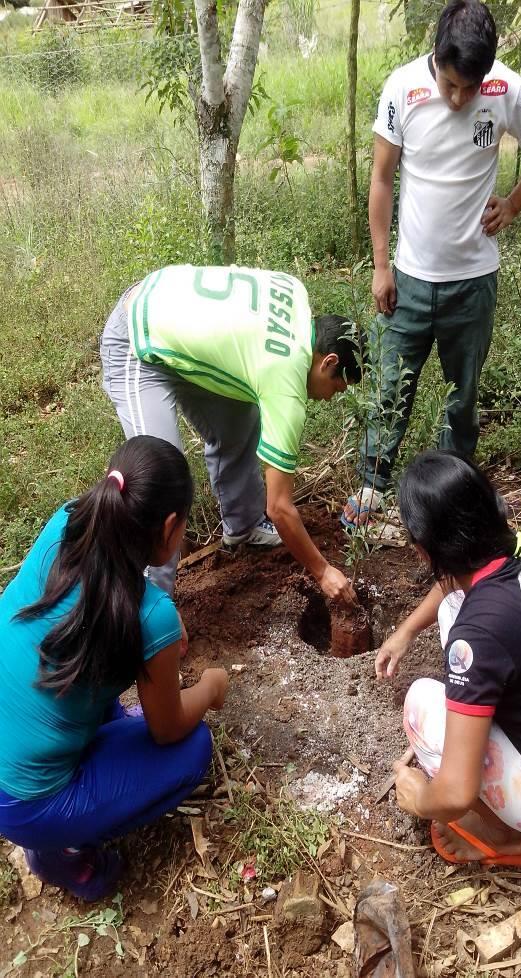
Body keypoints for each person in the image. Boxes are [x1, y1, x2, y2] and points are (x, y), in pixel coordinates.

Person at [343, 0, 521, 526]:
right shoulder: (402, 89)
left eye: (470, 87)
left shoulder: (506, 89)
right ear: (435, 59)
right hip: (410, 280)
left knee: (462, 398)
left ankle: (452, 496)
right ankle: (373, 487)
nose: (459, 98)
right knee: (391, 386)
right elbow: (381, 178)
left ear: (487, 72)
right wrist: (381, 265)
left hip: (473, 281)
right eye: (450, 84)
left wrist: (513, 203)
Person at [0, 436, 229, 900]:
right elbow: (168, 730)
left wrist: (165, 616)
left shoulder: (68, 520)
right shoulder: (149, 616)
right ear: (169, 527)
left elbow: (97, 604)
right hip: (24, 802)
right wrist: (209, 687)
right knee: (193, 749)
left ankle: (77, 786)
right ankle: (63, 853)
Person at [375, 450, 521, 865]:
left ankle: (505, 836)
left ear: (424, 551)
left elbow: (455, 792)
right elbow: (453, 585)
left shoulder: (476, 637)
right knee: (449, 608)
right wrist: (405, 631)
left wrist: (420, 796)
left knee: (422, 704)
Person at [101, 265, 360, 604]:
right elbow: (280, 508)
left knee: (243, 415)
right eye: (338, 386)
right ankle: (149, 612)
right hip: (139, 337)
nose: (331, 397)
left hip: (176, 315)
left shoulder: (296, 292)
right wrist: (323, 570)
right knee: (158, 485)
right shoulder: (285, 381)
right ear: (327, 362)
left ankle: (243, 525)